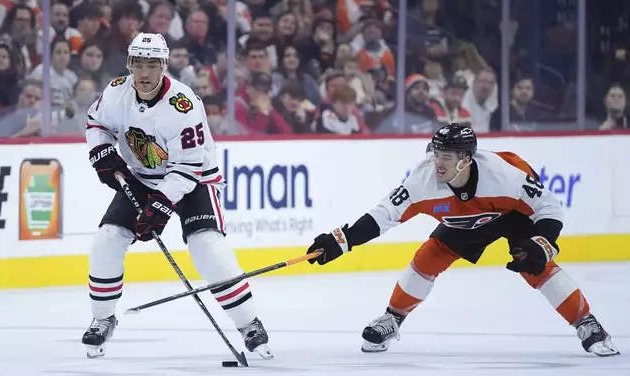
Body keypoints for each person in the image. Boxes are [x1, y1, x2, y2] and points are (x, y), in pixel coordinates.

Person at [305, 123, 620, 357]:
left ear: (466, 159)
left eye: (446, 156)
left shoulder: (504, 175)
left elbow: (549, 205)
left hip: (510, 213)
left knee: (534, 265)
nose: (437, 162)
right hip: (464, 218)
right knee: (430, 254)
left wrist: (543, 242)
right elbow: (384, 214)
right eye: (435, 153)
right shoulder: (423, 179)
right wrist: (342, 239)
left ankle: (587, 323)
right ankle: (392, 318)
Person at [82, 32, 272, 360]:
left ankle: (248, 324)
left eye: (152, 65)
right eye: (138, 64)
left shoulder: (183, 104)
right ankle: (102, 319)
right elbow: (96, 123)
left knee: (206, 245)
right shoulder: (117, 92)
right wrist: (100, 150)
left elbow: (188, 166)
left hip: (195, 180)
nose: (144, 73)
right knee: (107, 238)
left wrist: (161, 203)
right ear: (129, 64)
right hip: (142, 177)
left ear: (164, 66)